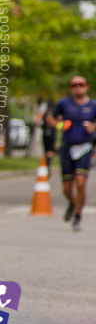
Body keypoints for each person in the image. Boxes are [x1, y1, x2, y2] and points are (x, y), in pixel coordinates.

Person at [47, 75, 96, 232]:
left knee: (80, 183)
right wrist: (60, 125)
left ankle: (77, 216)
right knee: (67, 188)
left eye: (80, 85)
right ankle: (73, 203)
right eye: (74, 85)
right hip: (67, 148)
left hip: (85, 148)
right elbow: (50, 118)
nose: (78, 88)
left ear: (86, 86)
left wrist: (93, 127)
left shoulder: (93, 105)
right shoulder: (64, 103)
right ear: (71, 88)